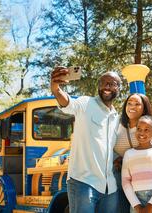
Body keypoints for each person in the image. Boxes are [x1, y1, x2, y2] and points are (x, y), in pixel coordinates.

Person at [51, 66, 122, 213]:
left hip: (110, 187)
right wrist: (56, 89)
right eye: (104, 83)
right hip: (83, 182)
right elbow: (67, 103)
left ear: (119, 88)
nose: (107, 86)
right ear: (98, 86)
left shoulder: (117, 117)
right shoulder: (86, 103)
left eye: (112, 83)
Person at [113, 93, 152, 213]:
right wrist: (117, 158)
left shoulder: (149, 126)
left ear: (144, 108)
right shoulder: (117, 124)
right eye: (129, 103)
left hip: (142, 180)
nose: (132, 106)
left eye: (137, 104)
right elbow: (107, 146)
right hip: (118, 176)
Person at [122, 115, 152, 213]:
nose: (141, 133)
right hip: (136, 201)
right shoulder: (128, 154)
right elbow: (125, 182)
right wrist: (137, 206)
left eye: (146, 130)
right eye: (139, 129)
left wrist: (150, 205)